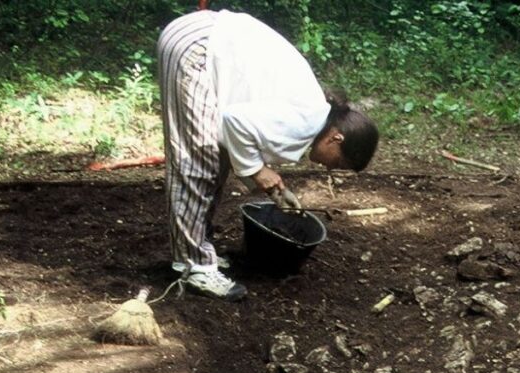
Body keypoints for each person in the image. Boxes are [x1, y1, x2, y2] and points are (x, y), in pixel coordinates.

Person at [157, 10, 379, 301]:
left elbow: (235, 134)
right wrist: (257, 170)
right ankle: (194, 265)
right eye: (337, 162)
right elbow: (235, 121)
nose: (329, 167)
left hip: (202, 40)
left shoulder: (313, 116)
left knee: (214, 158)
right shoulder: (304, 121)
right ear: (337, 138)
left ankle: (198, 249)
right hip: (197, 47)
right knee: (198, 160)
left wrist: (277, 190)